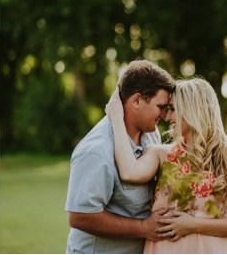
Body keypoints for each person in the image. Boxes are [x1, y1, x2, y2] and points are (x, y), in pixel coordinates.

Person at [106, 77, 227, 253]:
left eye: (172, 109)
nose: (167, 117)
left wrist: (193, 225)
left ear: (193, 110)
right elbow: (129, 172)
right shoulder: (160, 155)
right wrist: (117, 118)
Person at [65, 60, 176, 253]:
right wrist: (143, 228)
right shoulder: (97, 150)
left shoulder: (151, 134)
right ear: (137, 101)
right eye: (160, 107)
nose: (165, 116)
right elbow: (79, 216)